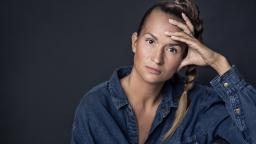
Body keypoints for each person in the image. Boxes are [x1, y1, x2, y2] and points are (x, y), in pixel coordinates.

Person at [71, 0, 256, 143]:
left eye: (172, 49)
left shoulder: (200, 106)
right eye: (151, 42)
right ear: (135, 42)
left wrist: (219, 62)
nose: (157, 58)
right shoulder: (95, 107)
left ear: (184, 56)